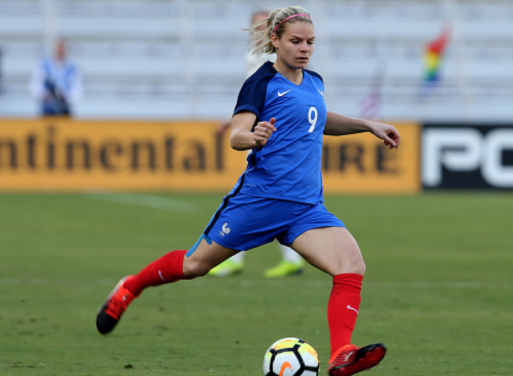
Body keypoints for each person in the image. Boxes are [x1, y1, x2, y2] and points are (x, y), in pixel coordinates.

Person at [96, 6, 400, 376]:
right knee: (194, 265)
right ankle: (131, 287)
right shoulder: (261, 83)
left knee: (352, 265)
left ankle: (342, 353)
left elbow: (319, 119)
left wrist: (367, 124)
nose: (305, 48)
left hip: (306, 208)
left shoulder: (314, 81)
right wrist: (251, 136)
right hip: (259, 202)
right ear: (275, 41)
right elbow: (238, 133)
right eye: (296, 41)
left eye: (310, 42)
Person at [211, 9, 306, 279]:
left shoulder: (268, 58)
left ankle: (232, 258)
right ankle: (291, 258)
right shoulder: (255, 55)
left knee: (252, 196)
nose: (257, 30)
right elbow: (249, 95)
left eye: (263, 25)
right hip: (258, 129)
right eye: (255, 25)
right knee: (267, 196)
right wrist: (231, 120)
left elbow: (264, 94)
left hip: (267, 132)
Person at [29, 39, 83, 116]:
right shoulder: (44, 65)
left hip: (64, 109)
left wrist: (65, 97)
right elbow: (35, 85)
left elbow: (78, 89)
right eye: (58, 48)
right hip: (47, 109)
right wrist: (46, 95)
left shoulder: (72, 68)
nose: (60, 51)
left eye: (62, 48)